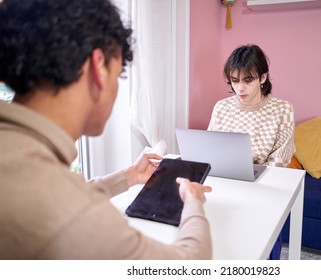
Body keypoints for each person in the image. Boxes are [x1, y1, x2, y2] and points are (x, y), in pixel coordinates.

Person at [0, 0, 212, 259]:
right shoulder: (69, 209)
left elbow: (55, 201)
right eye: (118, 74)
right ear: (98, 67)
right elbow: (191, 265)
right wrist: (193, 202)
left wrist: (129, 176)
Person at [208, 44, 295, 259]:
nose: (240, 88)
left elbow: (282, 158)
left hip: (263, 184)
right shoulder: (221, 107)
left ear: (263, 78)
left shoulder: (282, 109)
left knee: (259, 248)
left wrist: (254, 180)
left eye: (248, 80)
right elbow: (209, 147)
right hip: (224, 181)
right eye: (235, 81)